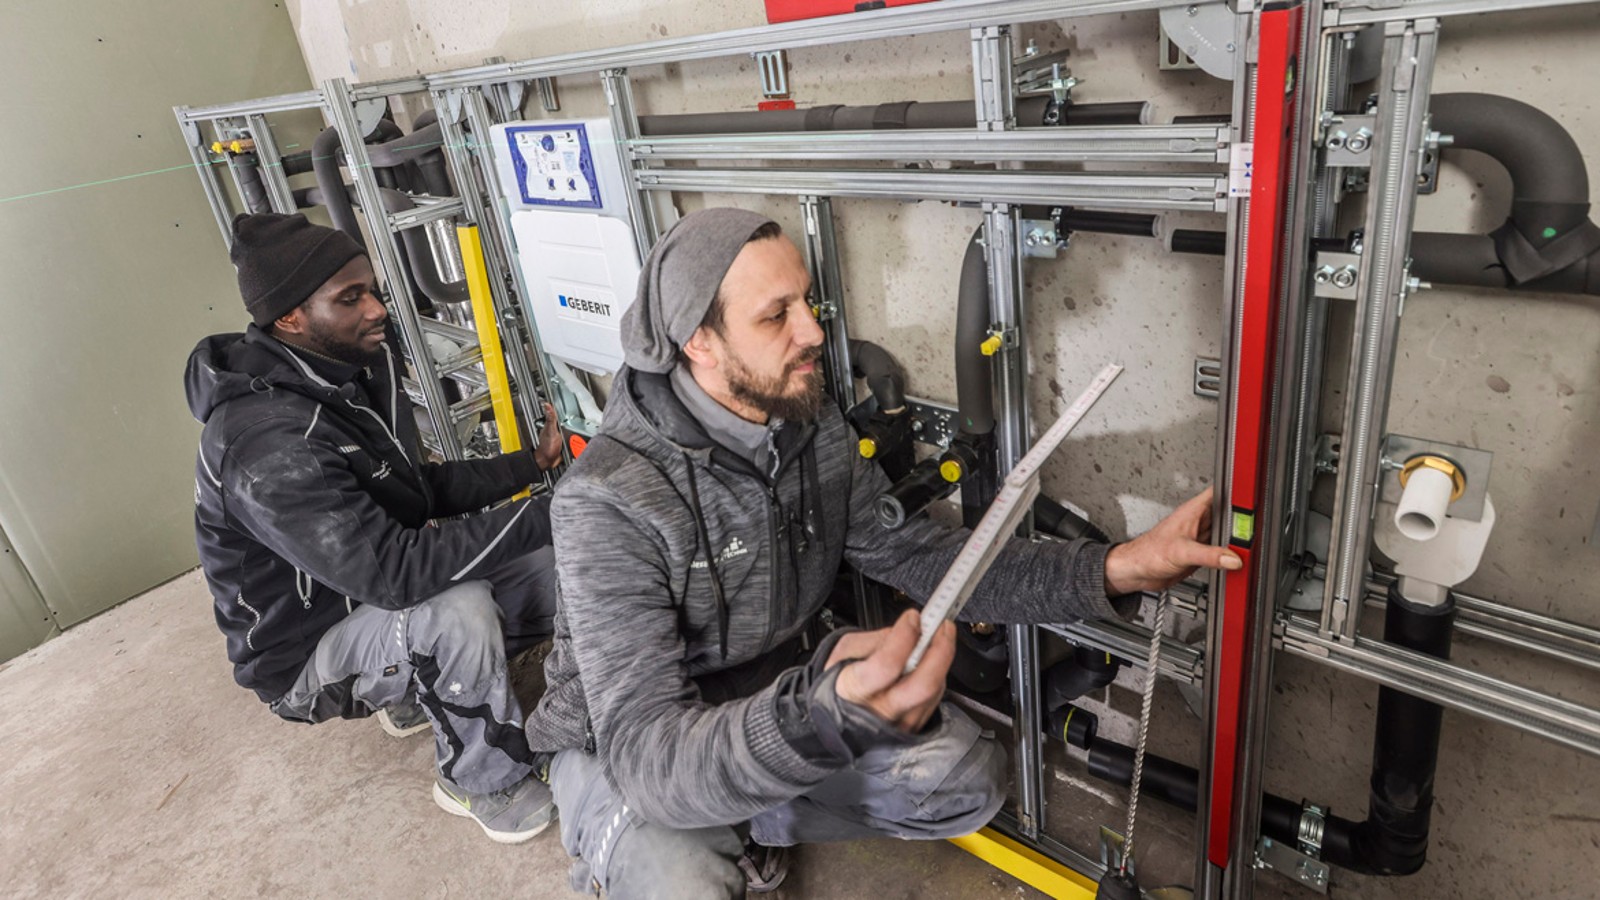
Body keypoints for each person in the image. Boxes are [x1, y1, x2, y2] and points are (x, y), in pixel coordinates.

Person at [525, 207, 1243, 896]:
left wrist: (1117, 567)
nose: (813, 331)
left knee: (964, 780)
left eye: (808, 301)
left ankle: (746, 819)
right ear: (698, 343)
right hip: (625, 751)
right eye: (776, 315)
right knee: (680, 879)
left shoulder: (808, 428)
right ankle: (659, 843)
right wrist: (814, 722)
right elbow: (648, 753)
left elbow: (926, 557)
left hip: (767, 700)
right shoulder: (609, 499)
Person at [186, 212, 565, 844]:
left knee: (558, 565)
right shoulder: (267, 445)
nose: (377, 309)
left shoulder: (341, 375)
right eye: (351, 298)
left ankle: (415, 694)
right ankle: (480, 779)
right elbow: (396, 574)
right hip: (307, 654)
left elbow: (415, 490)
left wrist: (532, 465)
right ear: (290, 318)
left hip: (363, 595)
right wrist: (551, 511)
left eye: (374, 290)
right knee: (456, 611)